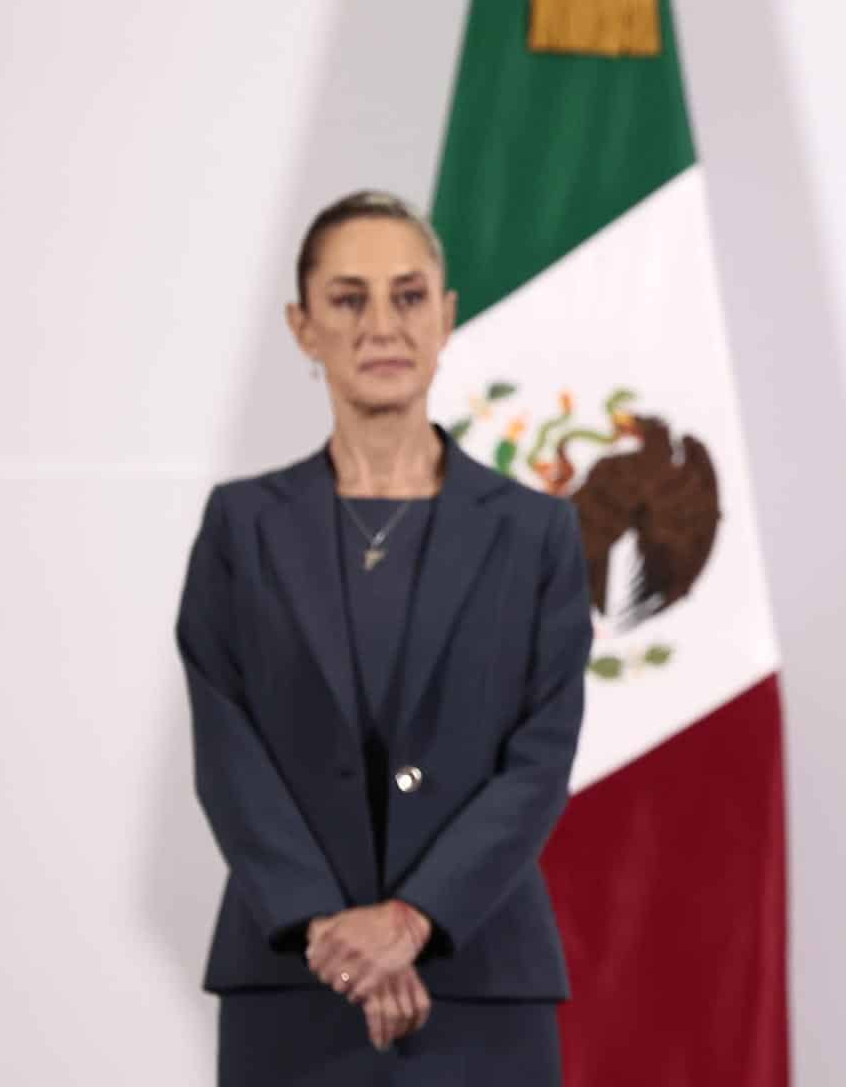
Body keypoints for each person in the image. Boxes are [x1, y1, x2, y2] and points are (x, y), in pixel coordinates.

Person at [176, 191, 591, 1084]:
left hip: (478, 982)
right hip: (290, 982)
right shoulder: (240, 526)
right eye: (348, 298)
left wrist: (411, 922)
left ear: (444, 319)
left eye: (408, 297)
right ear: (302, 325)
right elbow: (227, 753)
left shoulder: (535, 533)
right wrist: (328, 931)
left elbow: (541, 757)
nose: (381, 325)